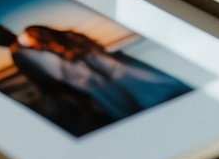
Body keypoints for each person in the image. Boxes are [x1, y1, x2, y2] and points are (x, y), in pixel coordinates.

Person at [23, 24, 192, 112]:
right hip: (118, 68)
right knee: (157, 89)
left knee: (140, 101)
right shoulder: (72, 36)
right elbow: (99, 50)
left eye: (30, 39)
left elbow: (78, 74)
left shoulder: (53, 53)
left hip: (104, 80)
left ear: (36, 37)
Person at [0, 24, 112, 134]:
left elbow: (50, 75)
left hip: (75, 89)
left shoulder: (23, 47)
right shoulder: (24, 44)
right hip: (76, 88)